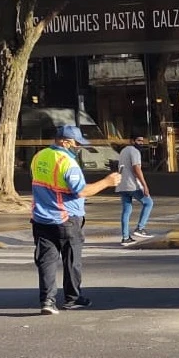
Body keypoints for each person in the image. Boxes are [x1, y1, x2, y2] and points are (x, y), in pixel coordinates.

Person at [31, 126, 121, 315]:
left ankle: (47, 301)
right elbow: (81, 191)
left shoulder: (39, 157)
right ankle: (72, 298)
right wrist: (107, 182)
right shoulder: (67, 163)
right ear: (64, 142)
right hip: (66, 219)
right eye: (76, 143)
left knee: (46, 261)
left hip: (41, 218)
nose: (78, 147)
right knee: (71, 260)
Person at [116, 136, 154, 247]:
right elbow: (136, 168)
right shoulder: (135, 151)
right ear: (132, 141)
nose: (141, 143)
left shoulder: (123, 151)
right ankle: (140, 228)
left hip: (122, 184)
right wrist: (144, 185)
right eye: (138, 140)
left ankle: (125, 237)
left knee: (127, 210)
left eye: (142, 141)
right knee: (148, 203)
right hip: (132, 184)